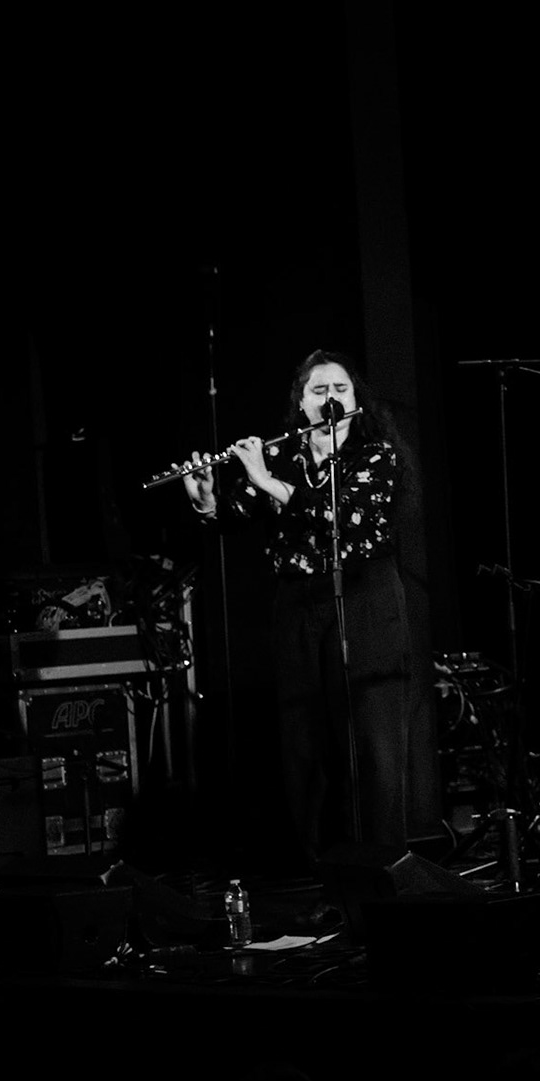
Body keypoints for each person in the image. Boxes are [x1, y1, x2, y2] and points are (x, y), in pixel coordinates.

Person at [180, 350, 411, 871]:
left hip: (366, 603)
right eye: (318, 391)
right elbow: (236, 515)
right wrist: (208, 500)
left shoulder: (376, 456)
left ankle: (386, 878)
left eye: (341, 390)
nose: (331, 399)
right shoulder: (283, 456)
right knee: (307, 752)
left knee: (374, 752)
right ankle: (327, 882)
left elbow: (342, 516)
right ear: (301, 403)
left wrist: (266, 481)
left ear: (357, 399)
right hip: (299, 610)